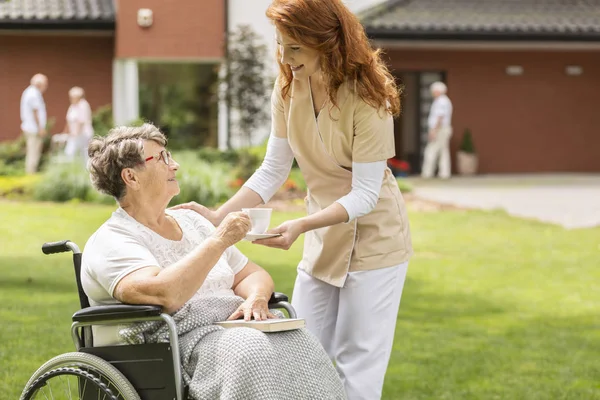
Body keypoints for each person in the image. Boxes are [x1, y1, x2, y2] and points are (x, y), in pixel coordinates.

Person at [172, 1, 413, 398]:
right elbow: (273, 169)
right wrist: (219, 216)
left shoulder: (368, 97)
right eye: (281, 45)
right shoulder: (288, 86)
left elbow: (367, 194)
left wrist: (301, 225)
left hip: (375, 241)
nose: (284, 57)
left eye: (295, 48)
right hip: (322, 235)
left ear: (326, 42)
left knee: (359, 363)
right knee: (298, 349)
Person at [81, 123, 345, 400]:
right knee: (249, 349)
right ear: (131, 177)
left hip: (230, 329)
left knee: (299, 341)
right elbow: (162, 294)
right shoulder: (113, 240)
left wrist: (256, 298)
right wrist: (219, 240)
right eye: (162, 159)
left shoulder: (193, 222)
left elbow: (250, 274)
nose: (175, 165)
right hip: (175, 344)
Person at [421, 81, 454, 179]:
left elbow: (440, 117)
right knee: (443, 151)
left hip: (440, 129)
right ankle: (444, 173)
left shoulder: (441, 101)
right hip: (443, 129)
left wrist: (434, 130)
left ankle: (427, 173)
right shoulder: (443, 100)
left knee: (431, 150)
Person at [20, 73, 48, 174]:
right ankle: (31, 174)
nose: (46, 87)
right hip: (33, 129)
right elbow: (35, 112)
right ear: (39, 84)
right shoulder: (33, 93)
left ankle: (31, 173)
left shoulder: (30, 92)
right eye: (45, 84)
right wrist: (40, 128)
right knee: (33, 152)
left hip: (31, 128)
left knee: (33, 151)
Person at [63, 86, 94, 163]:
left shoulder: (83, 105)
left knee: (83, 154)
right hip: (74, 134)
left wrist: (76, 133)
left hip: (83, 134)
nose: (70, 99)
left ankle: (86, 171)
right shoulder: (72, 106)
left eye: (73, 97)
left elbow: (81, 121)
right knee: (71, 153)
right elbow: (68, 120)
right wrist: (65, 132)